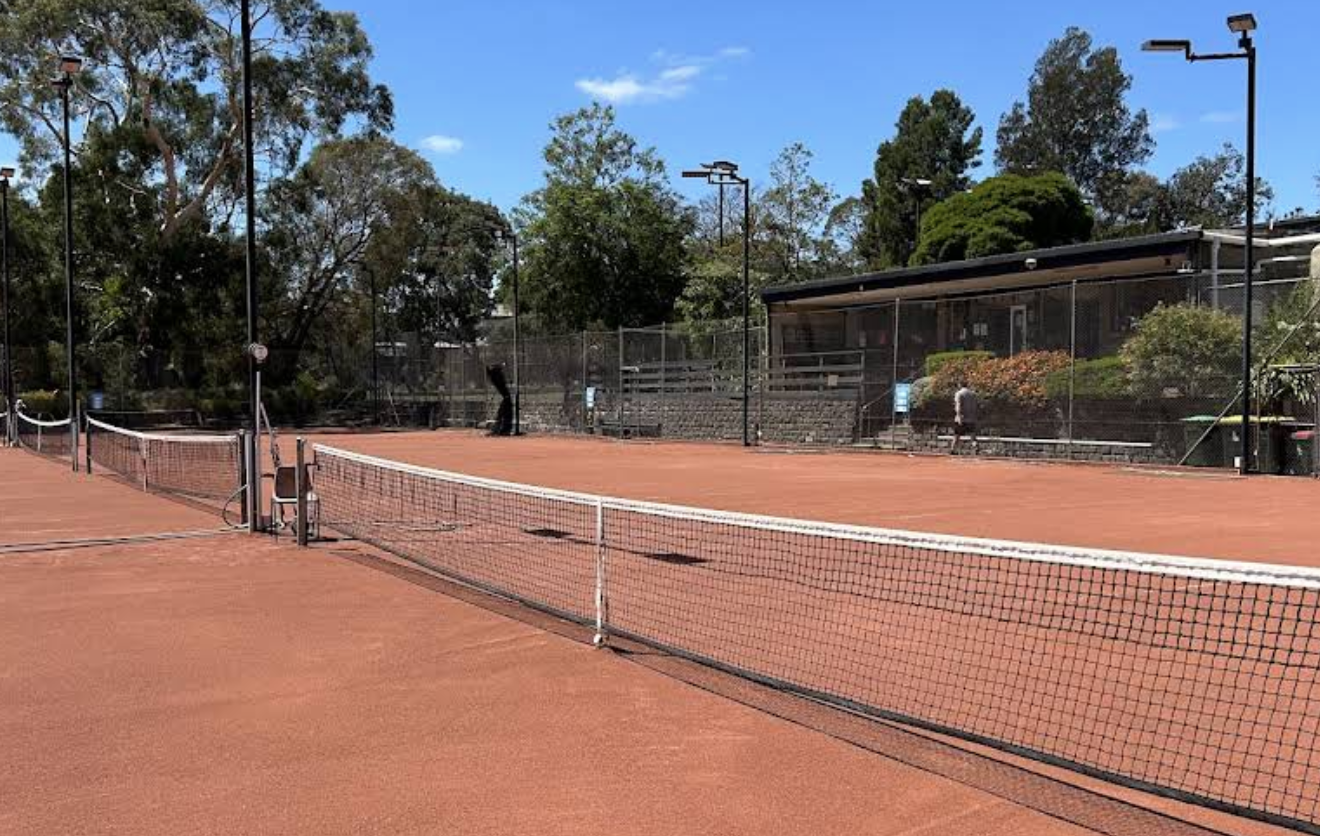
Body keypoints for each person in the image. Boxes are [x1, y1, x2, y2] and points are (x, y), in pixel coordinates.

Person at [952, 382, 978, 453]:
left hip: (962, 418)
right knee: (972, 436)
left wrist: (959, 416)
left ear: (960, 385)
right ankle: (975, 446)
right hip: (971, 418)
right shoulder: (973, 394)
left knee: (957, 435)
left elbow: (958, 405)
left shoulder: (959, 393)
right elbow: (975, 406)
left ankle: (953, 450)